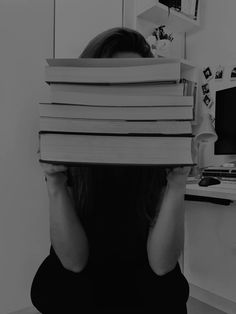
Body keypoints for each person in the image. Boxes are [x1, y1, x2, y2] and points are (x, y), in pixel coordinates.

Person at [30, 27, 190, 313]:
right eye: (110, 85)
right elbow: (73, 262)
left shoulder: (159, 151)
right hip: (82, 278)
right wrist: (54, 182)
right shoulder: (69, 150)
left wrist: (177, 183)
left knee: (167, 296)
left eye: (133, 87)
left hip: (144, 275)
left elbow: (162, 265)